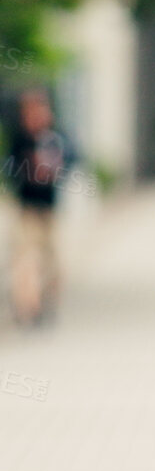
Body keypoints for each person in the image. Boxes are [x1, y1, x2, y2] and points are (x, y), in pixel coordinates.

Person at [6, 87, 70, 326]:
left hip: (50, 210)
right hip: (28, 209)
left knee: (53, 262)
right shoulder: (20, 139)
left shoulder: (56, 138)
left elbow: (70, 163)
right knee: (25, 259)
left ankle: (47, 303)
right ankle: (27, 306)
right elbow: (10, 170)